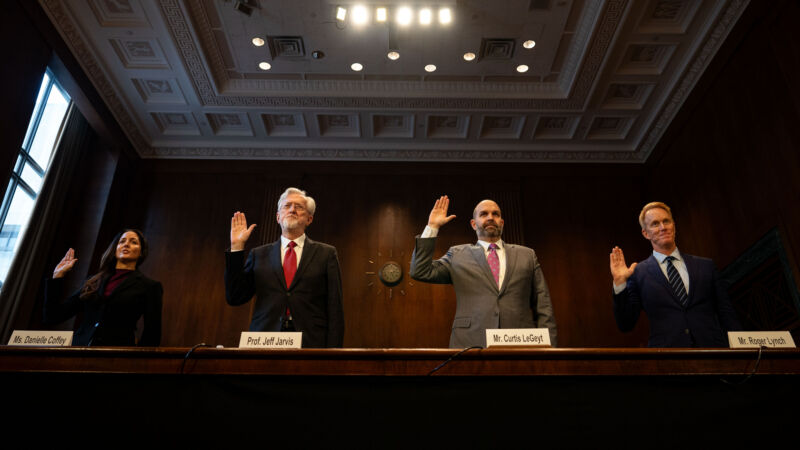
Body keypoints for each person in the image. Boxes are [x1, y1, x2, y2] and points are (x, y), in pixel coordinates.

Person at [410, 195, 557, 348]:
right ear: (474, 224)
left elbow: (543, 305)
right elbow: (419, 271)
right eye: (483, 214)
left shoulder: (527, 255)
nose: (490, 217)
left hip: (521, 343)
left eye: (495, 214)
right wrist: (432, 227)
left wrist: (550, 351)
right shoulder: (457, 255)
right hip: (471, 342)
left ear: (502, 222)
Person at [609, 202, 741, 347]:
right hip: (668, 360)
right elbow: (626, 324)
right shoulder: (639, 273)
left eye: (666, 221)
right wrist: (620, 282)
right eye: (655, 224)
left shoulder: (706, 266)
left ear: (674, 225)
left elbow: (727, 314)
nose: (662, 227)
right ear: (645, 233)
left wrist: (739, 354)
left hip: (712, 353)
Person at [224, 187, 344, 348]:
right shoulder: (259, 255)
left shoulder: (326, 254)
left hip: (311, 342)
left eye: (299, 207)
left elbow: (335, 308)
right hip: (264, 340)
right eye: (287, 206)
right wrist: (237, 247)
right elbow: (235, 297)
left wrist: (334, 354)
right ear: (278, 217)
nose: (292, 210)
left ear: (309, 219)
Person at [44, 229, 163, 346]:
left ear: (141, 252)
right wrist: (57, 277)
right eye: (122, 241)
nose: (126, 244)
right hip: (79, 350)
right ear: (115, 249)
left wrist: (136, 362)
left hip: (116, 356)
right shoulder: (93, 281)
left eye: (133, 242)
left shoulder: (150, 287)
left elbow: (152, 334)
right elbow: (53, 316)